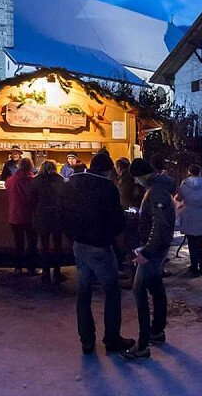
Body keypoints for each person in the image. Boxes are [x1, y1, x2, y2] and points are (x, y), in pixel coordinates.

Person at [60, 150, 133, 356]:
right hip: (100, 246)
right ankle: (112, 339)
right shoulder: (107, 188)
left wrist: (72, 235)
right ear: (107, 171)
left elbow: (63, 213)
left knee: (83, 294)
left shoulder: (72, 183)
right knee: (112, 292)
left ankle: (87, 341)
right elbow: (117, 221)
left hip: (79, 245)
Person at [122, 158, 175, 361]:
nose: (135, 182)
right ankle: (157, 331)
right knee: (156, 287)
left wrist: (147, 251)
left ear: (141, 175)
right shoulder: (158, 188)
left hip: (152, 251)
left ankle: (143, 344)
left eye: (136, 178)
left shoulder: (157, 191)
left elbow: (160, 225)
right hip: (155, 249)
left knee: (139, 290)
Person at [31, 160, 66, 284]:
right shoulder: (60, 180)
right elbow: (65, 197)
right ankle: (57, 272)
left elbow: (31, 199)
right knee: (57, 244)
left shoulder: (36, 180)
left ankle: (45, 272)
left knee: (44, 245)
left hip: (42, 215)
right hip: (57, 215)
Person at [176, 164, 202, 276]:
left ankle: (194, 265)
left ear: (189, 172)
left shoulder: (184, 183)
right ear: (199, 172)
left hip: (188, 214)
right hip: (201, 214)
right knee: (199, 241)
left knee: (191, 241)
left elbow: (179, 198)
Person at [6, 157, 38, 275]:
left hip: (15, 215)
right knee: (32, 243)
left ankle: (18, 268)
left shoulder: (12, 180)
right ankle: (32, 268)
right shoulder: (34, 181)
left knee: (18, 243)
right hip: (31, 216)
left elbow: (7, 187)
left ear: (19, 166)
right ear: (31, 167)